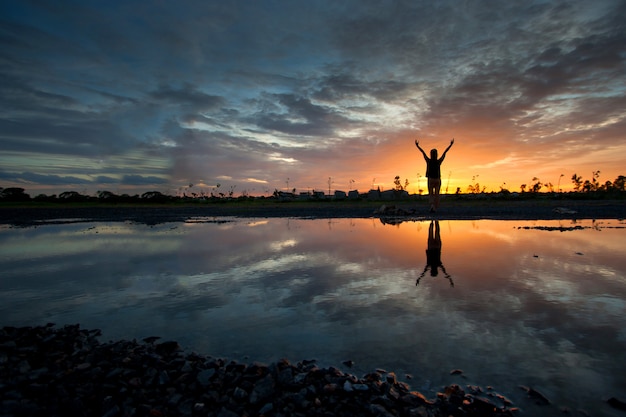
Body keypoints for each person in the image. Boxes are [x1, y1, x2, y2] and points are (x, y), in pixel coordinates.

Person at [415, 138, 454, 212]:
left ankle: (432, 206)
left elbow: (422, 152)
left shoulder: (428, 161)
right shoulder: (439, 161)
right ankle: (435, 207)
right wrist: (450, 145)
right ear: (436, 155)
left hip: (430, 179)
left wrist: (417, 146)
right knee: (437, 194)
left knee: (431, 194)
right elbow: (445, 153)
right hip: (437, 179)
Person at [416, 220, 453, 287]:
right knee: (431, 233)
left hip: (437, 247)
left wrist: (450, 279)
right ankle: (432, 221)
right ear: (432, 271)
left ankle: (436, 221)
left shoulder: (438, 264)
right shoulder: (430, 264)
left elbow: (445, 272)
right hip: (431, 247)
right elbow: (423, 273)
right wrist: (419, 279)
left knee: (437, 232)